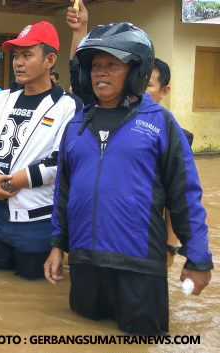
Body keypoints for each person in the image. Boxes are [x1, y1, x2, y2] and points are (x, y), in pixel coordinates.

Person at [44, 22, 212, 335]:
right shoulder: (76, 125)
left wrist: (198, 258)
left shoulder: (161, 123)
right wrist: (57, 245)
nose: (100, 73)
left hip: (138, 265)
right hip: (84, 263)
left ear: (136, 71)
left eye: (112, 65)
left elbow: (185, 195)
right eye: (95, 66)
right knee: (83, 334)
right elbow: (63, 192)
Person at [66, 0, 194, 267]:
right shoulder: (90, 120)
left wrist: (171, 244)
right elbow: (80, 80)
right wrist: (81, 31)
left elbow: (178, 198)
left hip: (140, 251)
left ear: (163, 90)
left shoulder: (170, 131)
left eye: (149, 85)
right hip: (92, 250)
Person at [0, 22, 81, 280]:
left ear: (50, 60)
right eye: (16, 55)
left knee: (32, 291)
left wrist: (15, 182)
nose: (18, 63)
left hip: (37, 221)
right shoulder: (0, 99)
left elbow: (61, 161)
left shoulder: (67, 106)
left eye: (27, 55)